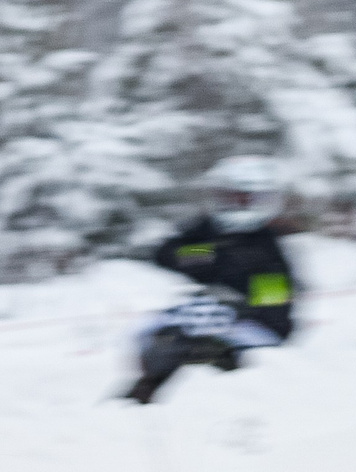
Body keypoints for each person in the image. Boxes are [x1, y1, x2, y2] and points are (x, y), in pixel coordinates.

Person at [126, 154, 298, 405]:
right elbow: (166, 253)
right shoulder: (208, 229)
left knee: (199, 349)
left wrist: (235, 308)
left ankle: (233, 401)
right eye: (230, 196)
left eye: (244, 197)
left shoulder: (266, 246)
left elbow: (274, 309)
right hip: (203, 313)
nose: (236, 203)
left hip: (252, 328)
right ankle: (139, 401)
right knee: (157, 335)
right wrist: (211, 254)